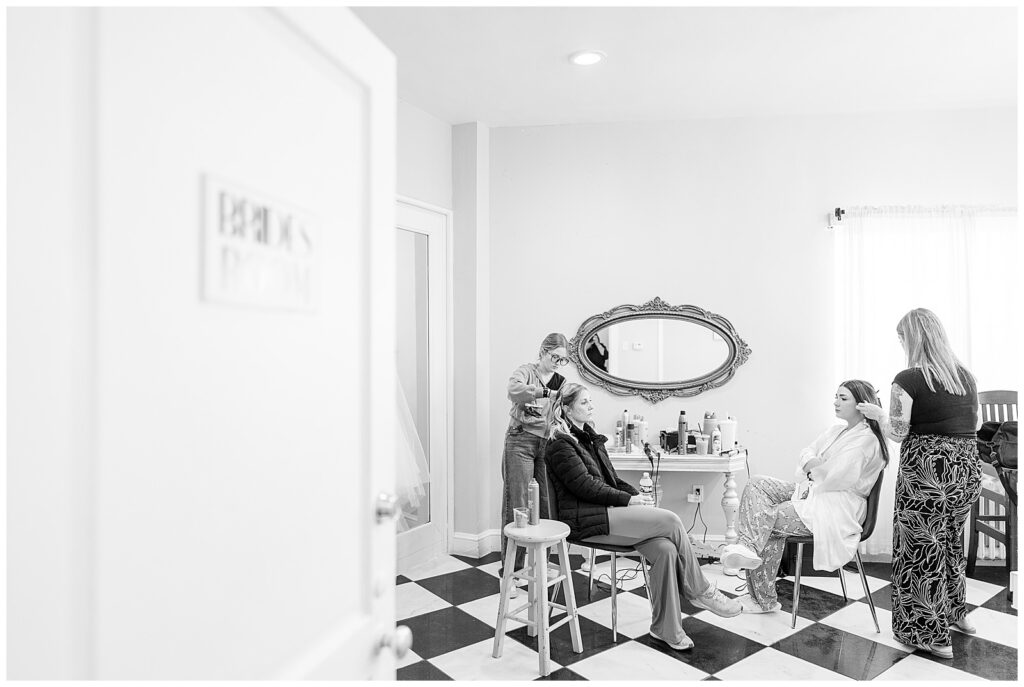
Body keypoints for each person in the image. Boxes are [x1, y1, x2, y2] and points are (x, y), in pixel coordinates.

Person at [545, 383, 741, 651]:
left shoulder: (589, 438)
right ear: (566, 409)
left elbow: (611, 481)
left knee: (666, 549)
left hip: (606, 513)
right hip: (585, 521)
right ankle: (701, 590)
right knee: (671, 520)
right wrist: (629, 500)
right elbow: (585, 486)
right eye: (584, 403)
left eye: (591, 401)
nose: (592, 406)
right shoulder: (560, 445)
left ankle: (665, 629)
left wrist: (636, 496)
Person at [856, 308, 980, 660]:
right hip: (965, 472)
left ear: (912, 339)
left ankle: (931, 636)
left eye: (901, 339)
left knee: (920, 551)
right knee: (948, 546)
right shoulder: (965, 377)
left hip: (928, 474)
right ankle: (957, 615)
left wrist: (879, 414)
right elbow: (968, 424)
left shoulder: (908, 379)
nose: (901, 345)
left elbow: (897, 432)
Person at [720, 380, 888, 615]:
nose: (835, 402)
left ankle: (763, 600)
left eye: (843, 398)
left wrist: (815, 468)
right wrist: (817, 466)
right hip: (814, 491)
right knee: (757, 483)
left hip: (836, 507)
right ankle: (747, 548)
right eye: (836, 396)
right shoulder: (837, 430)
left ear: (862, 405)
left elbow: (836, 477)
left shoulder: (867, 440)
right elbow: (807, 453)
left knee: (767, 518)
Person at [500, 333, 570, 596]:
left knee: (545, 505)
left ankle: (541, 565)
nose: (557, 364)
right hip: (520, 442)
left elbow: (561, 409)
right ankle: (510, 575)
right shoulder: (525, 372)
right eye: (555, 357)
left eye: (562, 360)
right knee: (516, 506)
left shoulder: (561, 382)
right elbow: (513, 391)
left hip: (546, 444)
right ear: (543, 351)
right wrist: (542, 392)